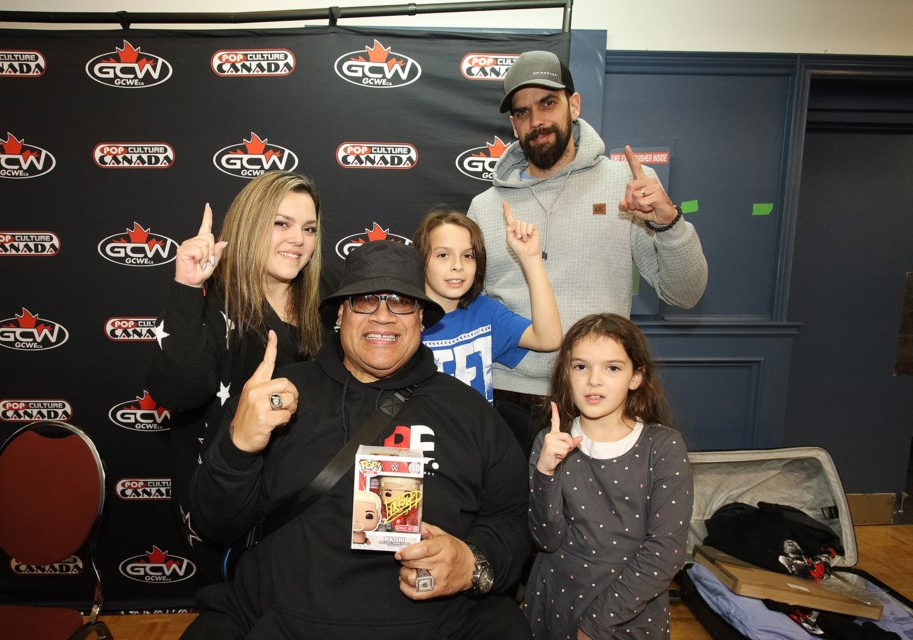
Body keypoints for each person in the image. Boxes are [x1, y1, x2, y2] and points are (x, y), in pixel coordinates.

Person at [181, 240, 533, 640]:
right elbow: (216, 523)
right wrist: (238, 447)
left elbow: (512, 518)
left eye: (401, 302)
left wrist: (473, 562)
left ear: (421, 318)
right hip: (281, 622)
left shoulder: (468, 412)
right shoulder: (278, 395)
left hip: (436, 625)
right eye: (366, 300)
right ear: (341, 314)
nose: (383, 317)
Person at [466, 50, 708, 455]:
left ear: (573, 105)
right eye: (522, 112)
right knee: (504, 520)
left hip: (595, 404)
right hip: (504, 400)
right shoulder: (485, 207)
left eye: (548, 103)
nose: (536, 121)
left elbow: (685, 293)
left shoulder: (626, 186)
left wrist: (668, 223)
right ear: (512, 123)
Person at [145, 170, 329, 582]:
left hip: (305, 505)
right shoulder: (217, 300)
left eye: (309, 228)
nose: (297, 239)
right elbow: (178, 390)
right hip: (230, 507)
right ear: (250, 224)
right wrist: (187, 287)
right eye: (281, 223)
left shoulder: (325, 300)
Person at [524, 313, 693, 640]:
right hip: (555, 601)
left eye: (612, 368)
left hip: (630, 609)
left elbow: (665, 552)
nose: (594, 381)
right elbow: (545, 539)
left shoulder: (662, 447)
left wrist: (595, 625)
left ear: (636, 377)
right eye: (581, 367)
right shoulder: (549, 442)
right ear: (566, 373)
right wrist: (545, 472)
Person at [412, 206, 561, 403]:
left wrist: (531, 259)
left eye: (468, 255)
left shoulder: (485, 314)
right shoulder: (403, 318)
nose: (458, 265)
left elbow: (549, 339)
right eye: (443, 255)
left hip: (476, 433)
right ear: (421, 260)